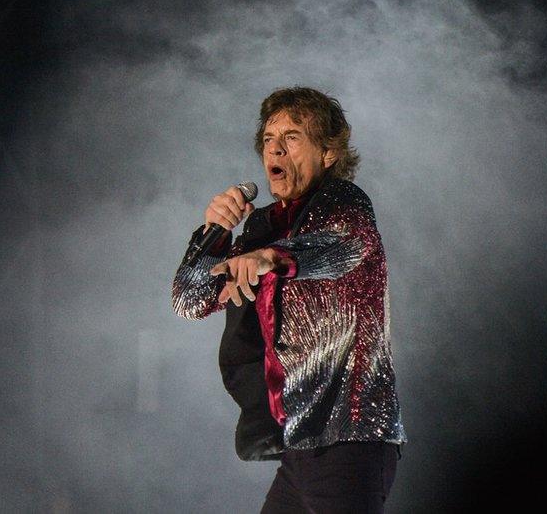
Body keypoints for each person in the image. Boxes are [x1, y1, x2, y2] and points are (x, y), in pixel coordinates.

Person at [172, 86, 406, 513]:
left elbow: (343, 245)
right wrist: (214, 233)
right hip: (300, 445)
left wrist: (273, 258)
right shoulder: (263, 224)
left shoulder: (344, 202)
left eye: (292, 137)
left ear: (328, 153)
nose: (275, 149)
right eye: (268, 139)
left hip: (349, 436)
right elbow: (190, 300)